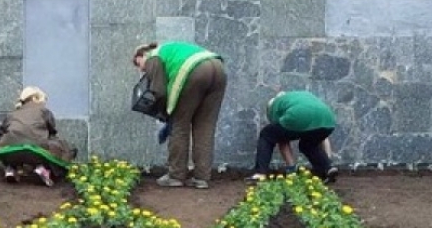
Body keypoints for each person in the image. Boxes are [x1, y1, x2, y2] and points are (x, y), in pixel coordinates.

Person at [132, 41, 227, 189]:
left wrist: (164, 113)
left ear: (142, 55)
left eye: (138, 64)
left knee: (179, 125)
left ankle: (176, 176)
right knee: (205, 127)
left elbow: (159, 91)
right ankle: (201, 178)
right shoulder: (169, 50)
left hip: (193, 71)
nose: (141, 70)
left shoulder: (153, 57)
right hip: (218, 68)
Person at [0, 87, 76, 186]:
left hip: (7, 150)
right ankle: (44, 169)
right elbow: (52, 131)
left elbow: (1, 132)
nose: (44, 104)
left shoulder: (12, 114)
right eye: (43, 100)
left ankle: (10, 168)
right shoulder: (44, 111)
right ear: (35, 98)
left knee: (6, 144)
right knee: (57, 144)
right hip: (35, 150)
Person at [248, 91, 337, 183]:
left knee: (266, 134)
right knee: (308, 145)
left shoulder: (274, 107)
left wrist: (291, 168)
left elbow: (282, 141)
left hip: (299, 115)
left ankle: (260, 174)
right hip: (328, 119)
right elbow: (324, 139)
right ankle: (327, 168)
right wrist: (329, 159)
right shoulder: (295, 98)